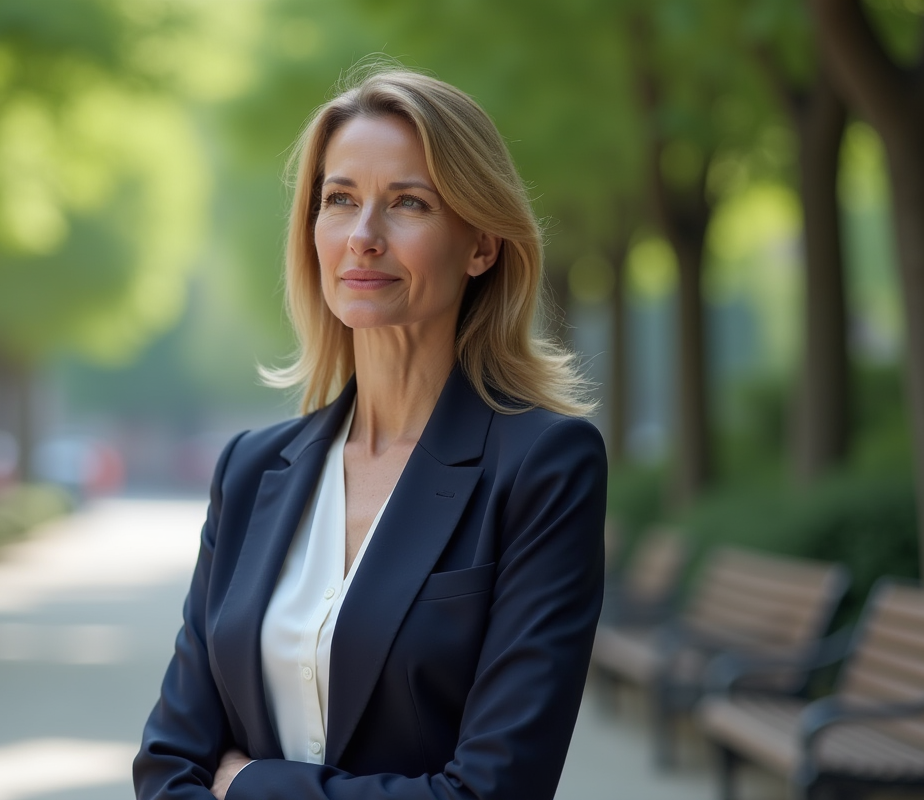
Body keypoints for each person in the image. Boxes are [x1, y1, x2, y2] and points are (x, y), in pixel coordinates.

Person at [134, 65, 607, 800]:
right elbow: (168, 766)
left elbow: (493, 791)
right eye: (340, 200)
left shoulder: (544, 467)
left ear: (481, 245)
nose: (362, 237)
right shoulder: (250, 471)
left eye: (408, 203)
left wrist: (255, 786)